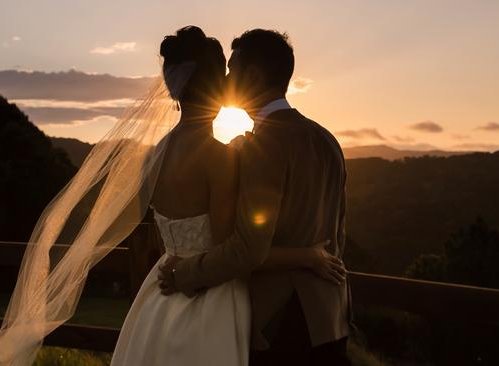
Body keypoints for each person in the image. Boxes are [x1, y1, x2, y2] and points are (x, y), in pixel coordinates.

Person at [109, 26, 345, 366]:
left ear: (251, 75)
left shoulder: (160, 154)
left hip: (270, 321)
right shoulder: (327, 141)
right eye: (223, 73)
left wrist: (180, 273)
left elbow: (244, 248)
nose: (229, 79)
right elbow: (337, 231)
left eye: (232, 71)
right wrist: (312, 257)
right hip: (329, 318)